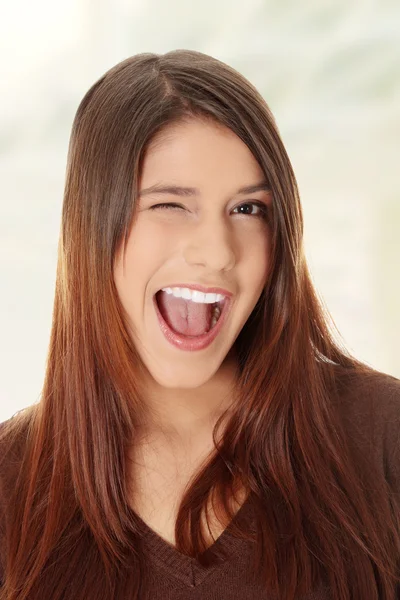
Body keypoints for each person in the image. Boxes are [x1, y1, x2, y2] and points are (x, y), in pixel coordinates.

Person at [0, 49, 399, 600]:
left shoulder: (383, 436)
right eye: (170, 205)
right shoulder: (9, 481)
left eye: (248, 210)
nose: (217, 252)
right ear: (91, 227)